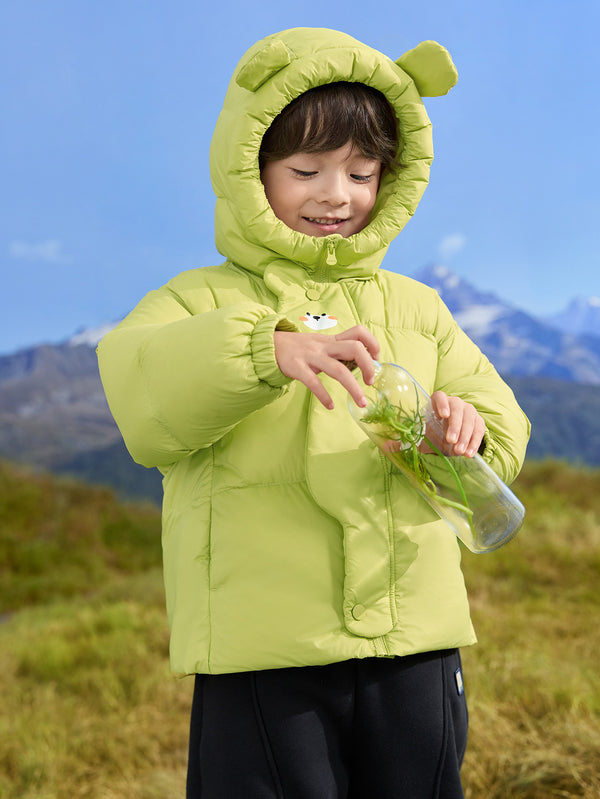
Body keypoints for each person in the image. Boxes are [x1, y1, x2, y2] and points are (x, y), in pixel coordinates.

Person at [97, 27, 530, 798]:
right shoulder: (198, 299)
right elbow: (143, 394)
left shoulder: (417, 307)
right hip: (266, 651)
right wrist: (263, 349)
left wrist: (472, 426)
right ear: (248, 166)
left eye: (362, 172)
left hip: (415, 640)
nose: (338, 194)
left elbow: (497, 416)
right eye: (306, 170)